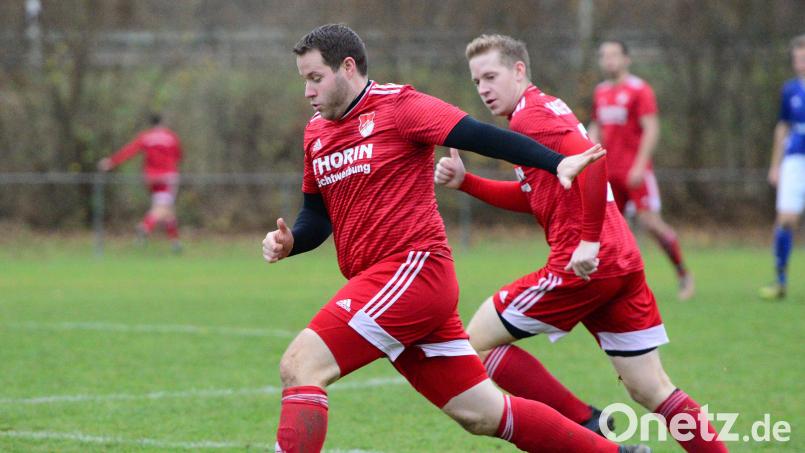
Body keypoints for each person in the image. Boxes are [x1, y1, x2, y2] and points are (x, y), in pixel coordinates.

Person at [264, 24, 648, 453]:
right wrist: (292, 242)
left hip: (412, 271)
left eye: (315, 78)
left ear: (347, 68)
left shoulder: (400, 106)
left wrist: (556, 162)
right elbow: (316, 217)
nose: (308, 92)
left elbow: (477, 135)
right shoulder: (316, 132)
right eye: (304, 81)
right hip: (393, 287)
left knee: (301, 366)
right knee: (484, 413)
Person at [434, 33, 728, 453]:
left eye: (491, 76)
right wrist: (468, 183)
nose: (482, 89)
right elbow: (535, 195)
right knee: (651, 388)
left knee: (475, 343)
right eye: (477, 80)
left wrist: (588, 242)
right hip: (621, 260)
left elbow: (593, 160)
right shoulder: (543, 108)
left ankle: (589, 425)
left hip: (583, 264)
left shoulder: (529, 118)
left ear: (519, 71)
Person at [587, 40, 694, 301]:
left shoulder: (639, 90)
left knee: (650, 223)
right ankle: (615, 286)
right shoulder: (600, 91)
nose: (608, 60)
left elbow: (652, 128)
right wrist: (586, 152)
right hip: (608, 171)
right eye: (604, 55)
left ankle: (683, 274)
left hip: (634, 171)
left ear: (627, 59)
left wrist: (640, 164)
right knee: (611, 229)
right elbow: (596, 127)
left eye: (614, 55)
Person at [760, 34, 805, 300]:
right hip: (795, 159)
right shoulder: (789, 90)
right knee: (786, 220)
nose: (801, 62)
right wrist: (775, 165)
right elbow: (783, 126)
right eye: (798, 58)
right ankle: (780, 280)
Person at [98, 113, 183, 252]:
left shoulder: (146, 137)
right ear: (163, 122)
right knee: (162, 208)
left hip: (151, 177)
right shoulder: (171, 137)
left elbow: (130, 151)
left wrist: (111, 162)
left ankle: (175, 243)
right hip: (168, 177)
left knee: (167, 210)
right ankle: (145, 226)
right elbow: (179, 155)